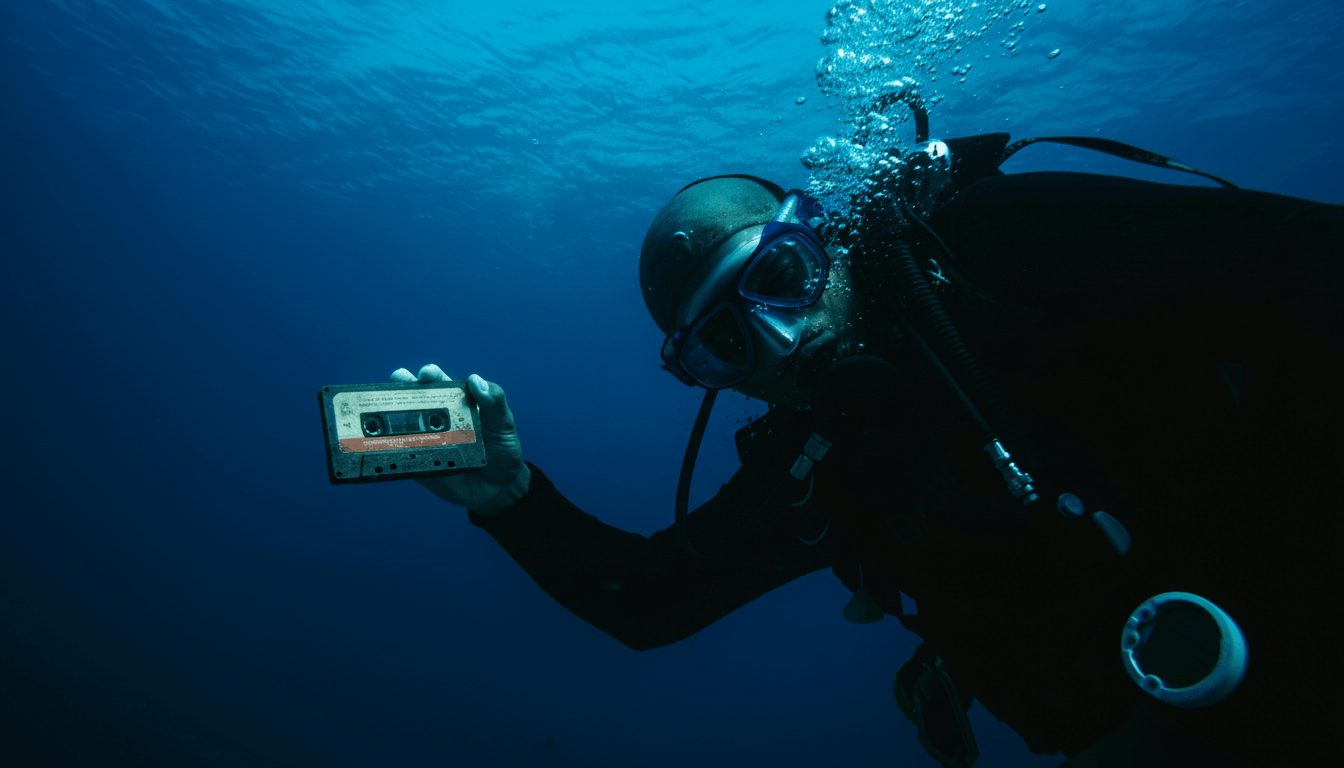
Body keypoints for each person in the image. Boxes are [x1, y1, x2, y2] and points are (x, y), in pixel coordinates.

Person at [390, 131, 1341, 766]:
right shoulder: (816, 472)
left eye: (781, 277)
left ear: (825, 240)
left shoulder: (1002, 252)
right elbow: (650, 601)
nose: (776, 343)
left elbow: (1311, 260)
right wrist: (511, 497)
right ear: (701, 372)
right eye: (725, 342)